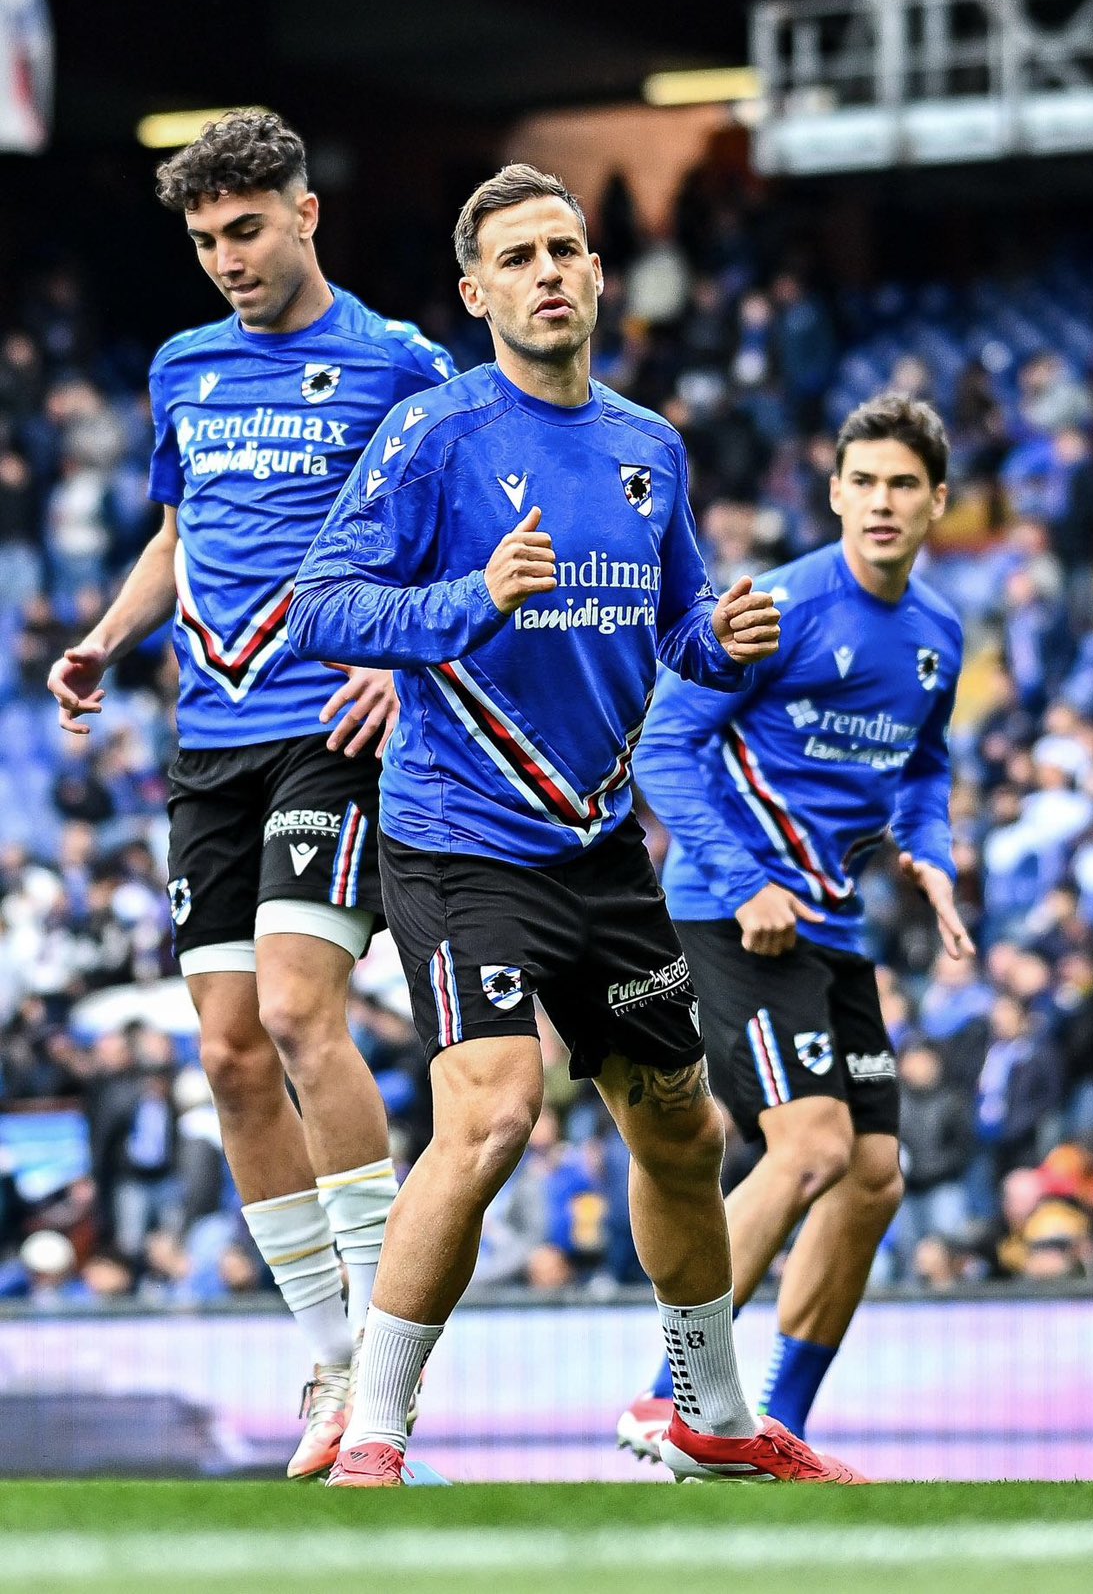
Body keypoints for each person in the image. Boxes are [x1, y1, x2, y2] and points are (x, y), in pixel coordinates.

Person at [287, 163, 857, 1486]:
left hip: (597, 850)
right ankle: (374, 1431)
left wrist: (723, 638)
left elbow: (676, 629)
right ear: (475, 294)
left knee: (684, 1132)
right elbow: (321, 606)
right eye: (519, 257)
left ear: (599, 276)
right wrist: (469, 599)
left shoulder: (649, 447)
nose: (548, 272)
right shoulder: (434, 435)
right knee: (491, 1115)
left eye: (565, 249)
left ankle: (713, 1420)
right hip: (459, 837)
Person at [44, 110, 450, 1479]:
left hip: (329, 727)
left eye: (247, 229)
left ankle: (387, 1360)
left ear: (305, 213)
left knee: (292, 1010)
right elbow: (179, 536)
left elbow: (460, 541)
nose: (226, 258)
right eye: (206, 239)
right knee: (225, 1053)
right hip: (206, 742)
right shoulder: (182, 368)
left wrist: (403, 658)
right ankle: (330, 1360)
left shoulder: (402, 365)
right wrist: (106, 637)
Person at [614, 392, 970, 1460]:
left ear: (937, 501)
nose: (882, 502)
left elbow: (923, 767)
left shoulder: (940, 633)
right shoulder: (779, 604)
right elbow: (663, 745)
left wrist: (933, 856)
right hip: (736, 916)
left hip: (833, 925)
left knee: (874, 1176)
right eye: (863, 482)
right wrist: (742, 883)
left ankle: (783, 1425)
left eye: (902, 484)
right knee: (810, 1146)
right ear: (834, 494)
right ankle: (670, 1400)